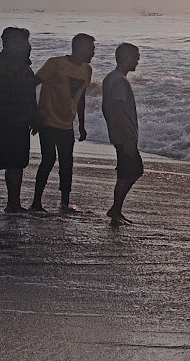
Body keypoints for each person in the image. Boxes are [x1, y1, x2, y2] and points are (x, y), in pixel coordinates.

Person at [30, 31, 95, 213]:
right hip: (47, 121)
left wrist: (81, 124)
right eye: (91, 49)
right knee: (48, 160)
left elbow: (81, 97)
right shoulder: (55, 63)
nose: (93, 53)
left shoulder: (86, 70)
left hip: (67, 124)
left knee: (67, 163)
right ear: (80, 48)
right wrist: (35, 113)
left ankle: (65, 203)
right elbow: (32, 84)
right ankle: (36, 202)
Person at [0, 27, 38, 214]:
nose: (28, 46)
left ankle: (13, 204)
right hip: (1, 121)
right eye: (24, 42)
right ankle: (13, 204)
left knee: (16, 163)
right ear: (12, 44)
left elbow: (29, 94)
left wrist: (33, 115)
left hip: (18, 122)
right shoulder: (0, 64)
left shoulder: (21, 65)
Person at [101, 43, 142, 229]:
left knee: (126, 171)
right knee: (133, 170)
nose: (138, 60)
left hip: (119, 135)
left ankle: (116, 209)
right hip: (125, 137)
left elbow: (105, 108)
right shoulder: (119, 81)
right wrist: (126, 139)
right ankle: (115, 209)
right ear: (125, 57)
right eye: (135, 56)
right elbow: (117, 109)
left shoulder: (111, 78)